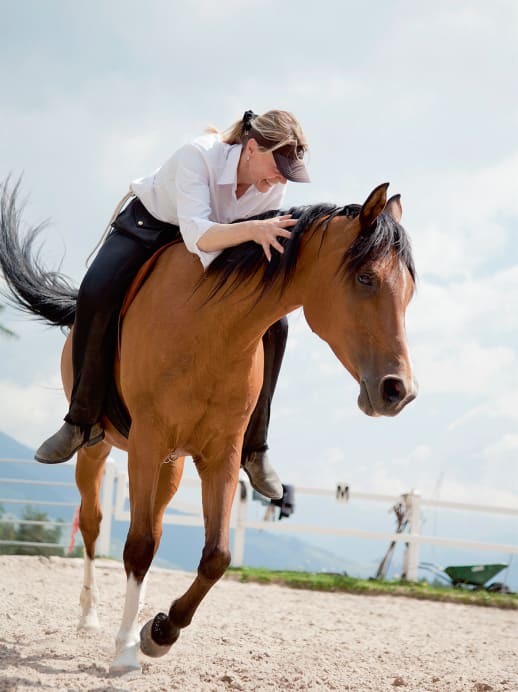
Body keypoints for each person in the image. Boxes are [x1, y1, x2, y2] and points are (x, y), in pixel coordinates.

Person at [35, 109, 310, 499]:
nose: (282, 178)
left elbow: (240, 244)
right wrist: (253, 229)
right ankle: (80, 420)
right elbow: (196, 232)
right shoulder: (197, 155)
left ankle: (255, 447)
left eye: (288, 171)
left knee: (276, 324)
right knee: (96, 291)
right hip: (154, 227)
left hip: (225, 244)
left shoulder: (272, 185)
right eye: (278, 165)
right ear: (252, 148)